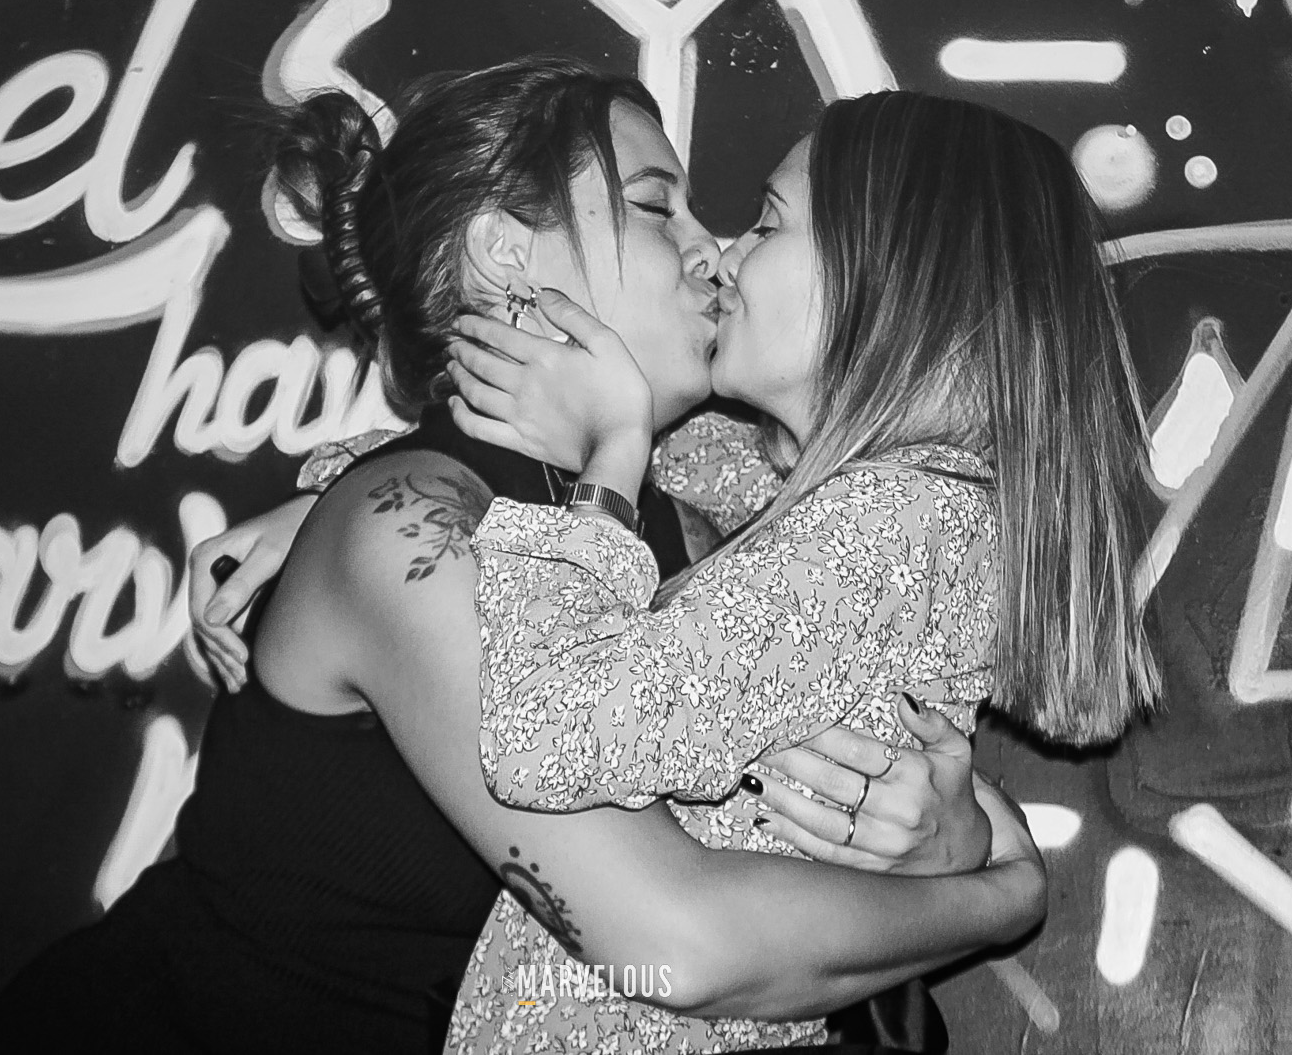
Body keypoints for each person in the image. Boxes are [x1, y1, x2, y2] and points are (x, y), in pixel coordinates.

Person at [0, 60, 1045, 1055]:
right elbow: (682, 942)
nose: (709, 248)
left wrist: (960, 830)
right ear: (505, 252)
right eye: (655, 206)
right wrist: (1001, 896)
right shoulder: (406, 529)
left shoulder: (702, 512)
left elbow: (885, 623)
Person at [437, 90, 1163, 1050]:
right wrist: (374, 481)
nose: (724, 254)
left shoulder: (893, 528)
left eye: (769, 223)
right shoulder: (884, 503)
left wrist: (610, 459)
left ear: (889, 277)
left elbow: (538, 738)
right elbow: (682, 461)